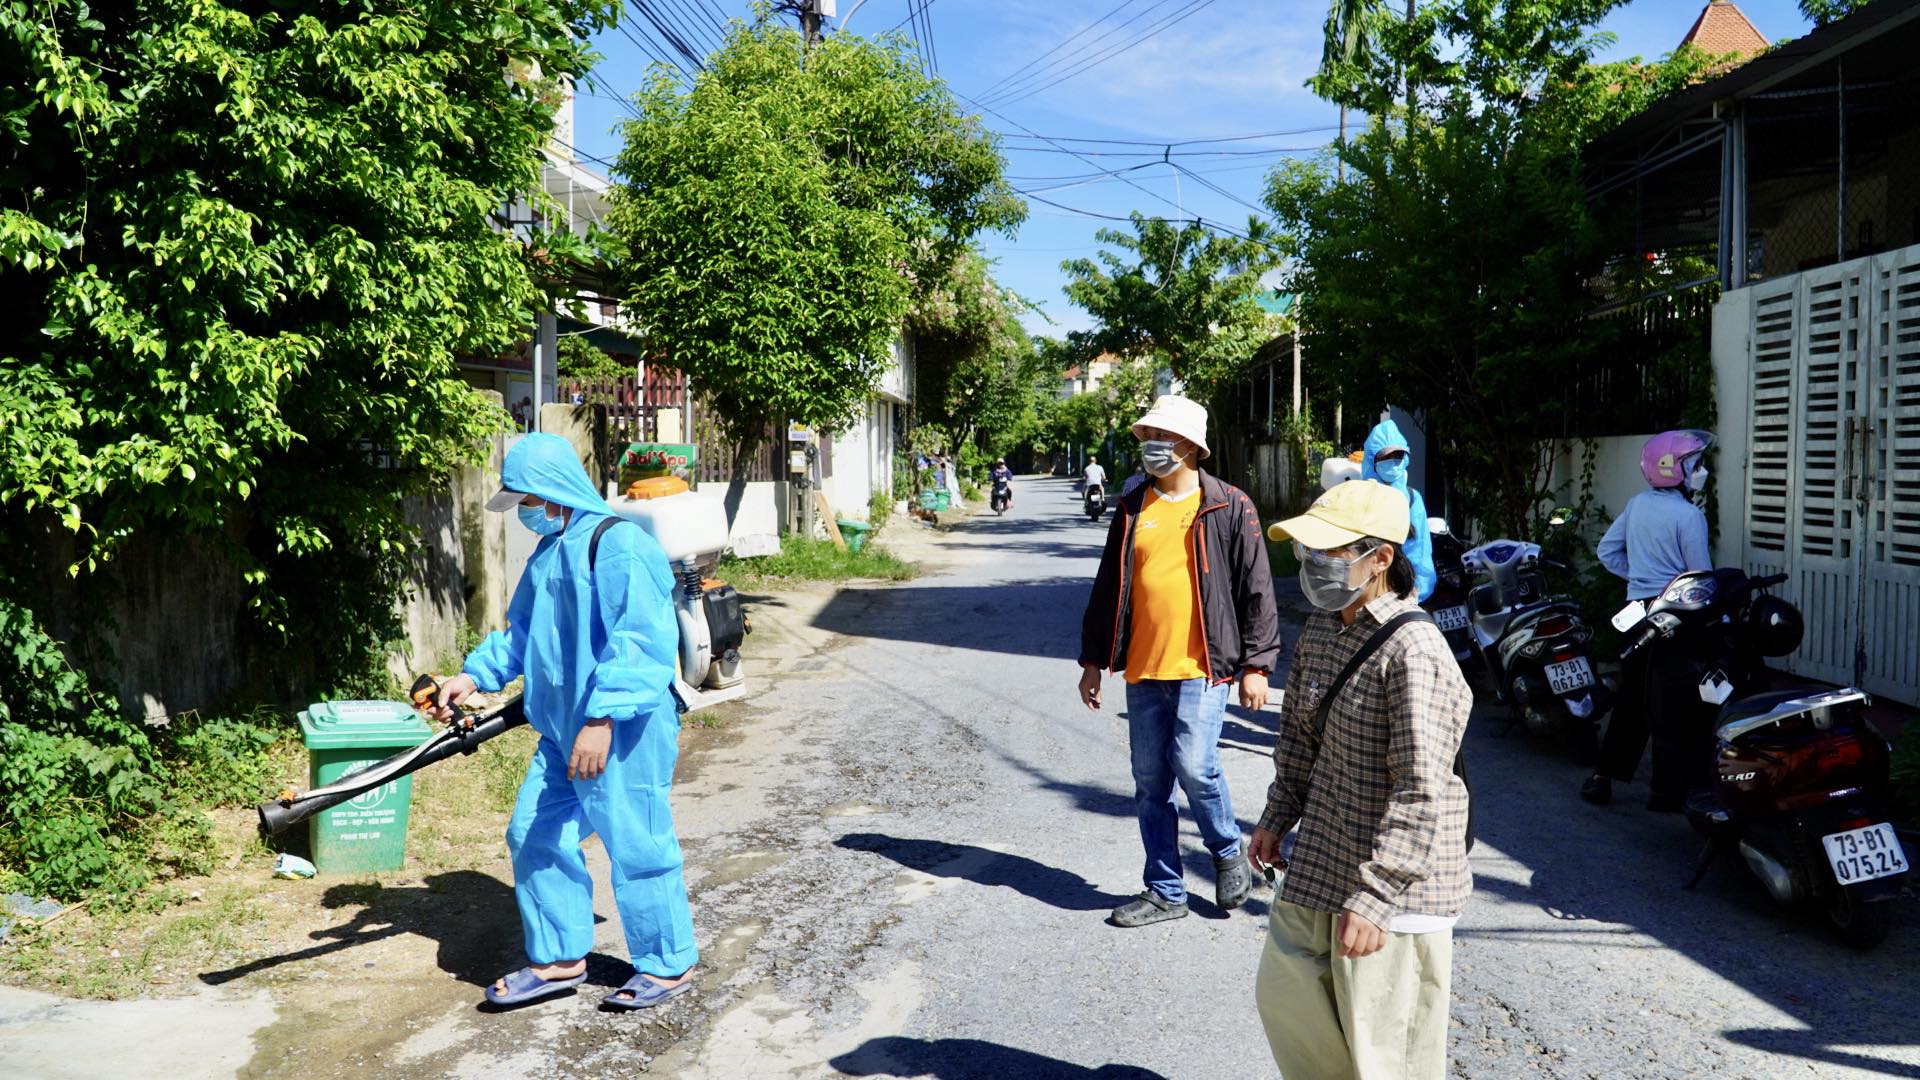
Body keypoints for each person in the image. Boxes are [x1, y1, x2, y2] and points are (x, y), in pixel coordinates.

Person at [431, 433, 699, 1010]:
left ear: (554, 491)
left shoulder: (620, 545)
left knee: (637, 843)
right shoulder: (548, 553)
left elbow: (642, 641)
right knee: (533, 831)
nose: (526, 513)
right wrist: (473, 677)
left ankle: (668, 964)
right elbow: (524, 637)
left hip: (622, 729)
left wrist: (601, 718)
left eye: (529, 499)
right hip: (560, 731)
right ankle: (557, 960)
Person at [1250, 479, 1474, 1080]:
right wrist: (1277, 816)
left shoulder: (1414, 651)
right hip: (1323, 855)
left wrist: (1377, 899)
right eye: (1308, 552)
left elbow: (1420, 789)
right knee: (1288, 1002)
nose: (1315, 565)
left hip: (1394, 888)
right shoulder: (1326, 626)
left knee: (1384, 1055)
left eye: (1331, 552)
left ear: (1380, 559)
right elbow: (1300, 735)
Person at [1078, 395, 1281, 927]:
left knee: (1193, 762)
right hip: (1144, 669)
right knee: (1150, 782)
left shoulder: (1230, 505)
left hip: (1205, 666)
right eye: (1145, 436)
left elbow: (1257, 589)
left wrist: (1256, 665)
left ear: (1190, 445)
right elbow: (1107, 588)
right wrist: (1094, 659)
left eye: (1159, 436)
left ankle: (1225, 850)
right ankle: (1166, 891)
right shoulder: (1130, 505)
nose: (1149, 446)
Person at [1581, 429, 1715, 811]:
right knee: (1673, 703)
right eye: (1696, 463)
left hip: (1639, 612)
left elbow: (1608, 551)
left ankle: (1602, 777)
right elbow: (1701, 576)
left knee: (1632, 697)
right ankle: (1665, 791)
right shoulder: (1690, 516)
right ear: (1674, 469)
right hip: (1676, 614)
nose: (1702, 470)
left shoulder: (1638, 504)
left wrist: (1639, 579)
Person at [1361, 419, 1436, 603]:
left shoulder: (1412, 499)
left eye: (1398, 456)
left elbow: (1420, 552)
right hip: (1367, 592)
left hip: (1403, 594)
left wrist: (1416, 592)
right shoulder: (1360, 496)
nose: (1393, 462)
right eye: (1386, 457)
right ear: (1372, 459)